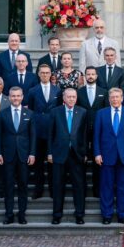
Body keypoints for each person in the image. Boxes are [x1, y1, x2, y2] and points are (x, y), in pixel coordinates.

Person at [94, 88, 124, 224]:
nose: (115, 99)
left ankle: (123, 215)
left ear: (122, 98)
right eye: (112, 97)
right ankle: (107, 215)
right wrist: (97, 153)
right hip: (106, 155)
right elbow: (96, 135)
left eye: (117, 97)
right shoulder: (101, 113)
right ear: (109, 99)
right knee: (106, 187)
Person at [0, 86, 35, 225]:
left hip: (24, 156)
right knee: (8, 186)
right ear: (9, 97)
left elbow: (33, 136)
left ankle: (22, 214)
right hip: (7, 155)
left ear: (22, 97)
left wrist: (32, 153)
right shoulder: (2, 113)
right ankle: (9, 214)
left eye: (18, 96)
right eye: (13, 96)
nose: (16, 98)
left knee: (23, 186)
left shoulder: (29, 113)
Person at [48, 88, 88, 225]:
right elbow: (50, 134)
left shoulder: (82, 112)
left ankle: (79, 215)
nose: (71, 99)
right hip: (59, 154)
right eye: (69, 97)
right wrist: (49, 153)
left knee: (79, 186)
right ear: (64, 98)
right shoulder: (55, 112)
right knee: (58, 185)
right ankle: (57, 215)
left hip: (76, 154)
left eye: (74, 97)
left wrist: (85, 153)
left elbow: (84, 134)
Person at [26, 64, 60, 199]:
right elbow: (31, 111)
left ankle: (53, 190)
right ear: (39, 74)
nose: (45, 75)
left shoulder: (57, 90)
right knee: (38, 163)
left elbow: (59, 110)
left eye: (47, 73)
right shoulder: (32, 91)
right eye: (42, 73)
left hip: (53, 131)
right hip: (38, 131)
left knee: (53, 163)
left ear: (51, 74)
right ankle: (38, 190)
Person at [77, 66, 108, 198]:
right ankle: (82, 190)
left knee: (98, 162)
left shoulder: (104, 92)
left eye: (92, 74)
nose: (90, 76)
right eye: (88, 74)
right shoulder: (79, 92)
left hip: (99, 132)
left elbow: (106, 112)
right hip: (82, 131)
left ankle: (97, 190)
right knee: (81, 161)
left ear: (96, 76)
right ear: (85, 76)